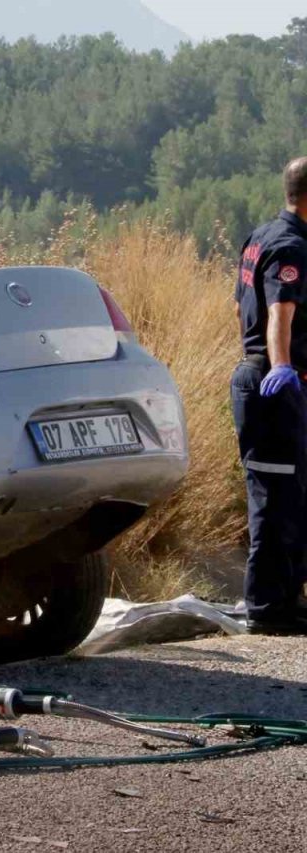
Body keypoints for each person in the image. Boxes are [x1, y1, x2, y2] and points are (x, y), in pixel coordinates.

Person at [231, 157, 307, 634]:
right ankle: (265, 609)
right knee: (275, 500)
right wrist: (279, 367)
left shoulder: (261, 236)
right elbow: (279, 311)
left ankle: (289, 600)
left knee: (294, 496)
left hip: (266, 377)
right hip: (273, 384)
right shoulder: (291, 246)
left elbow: (240, 306)